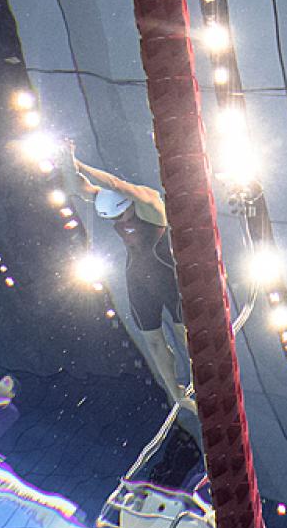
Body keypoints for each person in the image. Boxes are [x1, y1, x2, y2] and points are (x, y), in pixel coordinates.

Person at [57, 143, 195, 415]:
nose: (120, 221)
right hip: (138, 280)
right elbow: (75, 188)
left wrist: (81, 166)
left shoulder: (148, 201)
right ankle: (175, 393)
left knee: (183, 333)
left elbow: (117, 184)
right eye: (115, 219)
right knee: (153, 340)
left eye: (123, 215)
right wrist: (67, 160)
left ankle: (201, 377)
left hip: (167, 277)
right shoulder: (107, 199)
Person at [0, 376, 20, 452]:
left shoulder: (11, 412)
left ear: (12, 394)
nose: (0, 384)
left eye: (6, 383)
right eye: (0, 381)